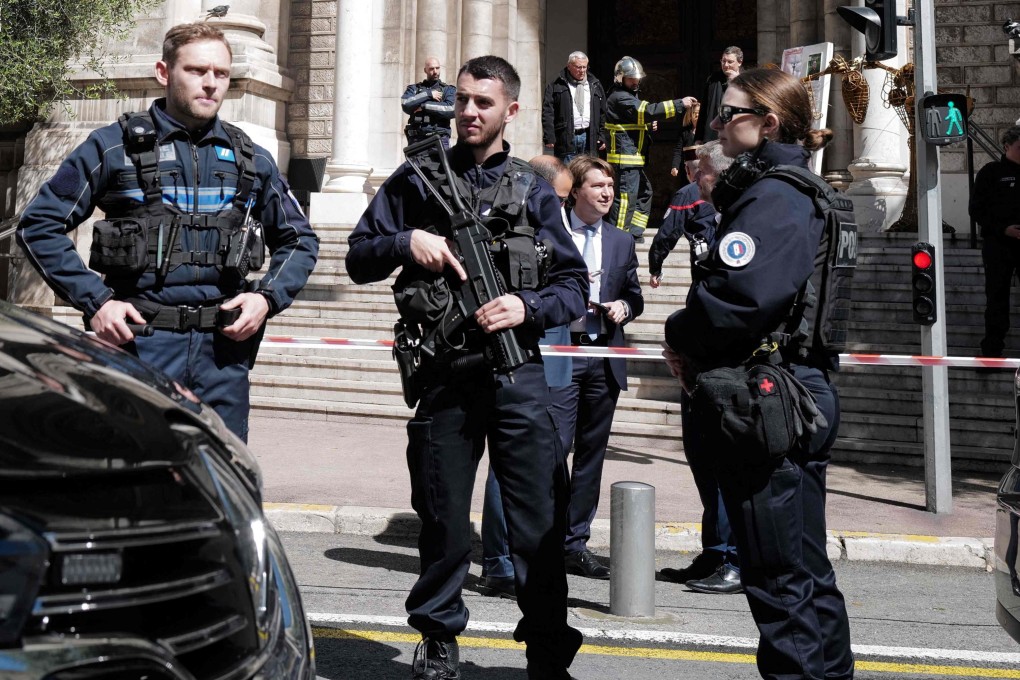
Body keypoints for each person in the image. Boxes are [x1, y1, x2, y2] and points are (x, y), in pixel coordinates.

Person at [346, 55, 587, 680]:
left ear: (511, 111)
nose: (469, 112)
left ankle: (545, 649)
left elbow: (573, 286)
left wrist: (526, 306)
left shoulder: (533, 188)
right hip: (446, 374)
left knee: (538, 523)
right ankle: (438, 638)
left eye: (483, 102)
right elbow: (358, 256)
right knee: (444, 517)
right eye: (461, 101)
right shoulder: (418, 179)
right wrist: (407, 243)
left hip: (516, 375)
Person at [16, 22, 319, 442]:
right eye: (196, 71)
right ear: (164, 72)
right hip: (138, 347)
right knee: (133, 486)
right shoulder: (112, 147)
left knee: (221, 485)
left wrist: (267, 298)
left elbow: (300, 239)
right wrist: (97, 302)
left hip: (223, 356)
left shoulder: (252, 158)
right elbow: (39, 226)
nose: (211, 84)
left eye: (221, 74)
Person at [663, 68, 854, 678]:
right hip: (796, 392)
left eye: (730, 114)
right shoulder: (794, 188)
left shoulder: (774, 195)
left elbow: (742, 297)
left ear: (768, 124)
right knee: (803, 570)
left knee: (778, 580)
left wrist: (679, 333)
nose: (717, 125)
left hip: (773, 397)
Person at [480, 154, 573, 601]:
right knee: (506, 474)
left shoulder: (556, 222)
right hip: (488, 363)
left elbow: (570, 285)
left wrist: (532, 304)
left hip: (539, 362)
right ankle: (496, 561)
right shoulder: (509, 207)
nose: (560, 209)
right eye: (558, 199)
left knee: (542, 475)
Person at [657, 140, 743, 594]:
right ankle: (714, 553)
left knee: (725, 465)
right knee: (702, 462)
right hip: (697, 364)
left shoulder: (743, 223)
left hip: (726, 366)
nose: (695, 178)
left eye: (703, 171)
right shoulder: (703, 217)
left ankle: (734, 558)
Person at [554, 155, 644, 579]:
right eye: (597, 185)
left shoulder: (622, 241)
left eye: (609, 185)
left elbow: (635, 294)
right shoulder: (552, 233)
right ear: (575, 192)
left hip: (604, 356)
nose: (607, 192)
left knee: (591, 455)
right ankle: (544, 538)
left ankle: (575, 543)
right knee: (554, 450)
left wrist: (625, 306)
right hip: (562, 353)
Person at [604, 56, 697, 241]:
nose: (636, 82)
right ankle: (619, 237)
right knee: (625, 201)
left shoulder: (628, 95)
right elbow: (646, 111)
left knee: (644, 193)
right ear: (619, 78)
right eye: (631, 79)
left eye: (637, 78)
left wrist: (646, 126)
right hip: (625, 160)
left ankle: (634, 232)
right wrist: (680, 104)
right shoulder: (619, 97)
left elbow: (635, 119)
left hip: (634, 158)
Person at [970, 125, 1020, 359]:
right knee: (997, 296)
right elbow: (976, 210)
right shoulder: (991, 172)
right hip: (998, 245)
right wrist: (1003, 230)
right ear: (1007, 146)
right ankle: (992, 347)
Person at [648, 145, 717, 289]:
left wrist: (655, 267)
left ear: (687, 169)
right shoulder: (731, 186)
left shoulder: (687, 194)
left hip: (704, 259)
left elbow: (668, 233)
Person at [542, 51, 607, 162]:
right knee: (568, 174)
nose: (582, 71)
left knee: (586, 174)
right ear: (569, 66)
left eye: (584, 67)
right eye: (578, 67)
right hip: (566, 138)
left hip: (589, 138)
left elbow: (603, 112)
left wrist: (603, 135)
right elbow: (548, 112)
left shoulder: (595, 85)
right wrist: (549, 136)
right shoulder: (556, 85)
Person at [401, 56, 456, 146]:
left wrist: (424, 106)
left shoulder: (448, 90)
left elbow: (451, 109)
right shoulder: (414, 89)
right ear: (425, 70)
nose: (435, 72)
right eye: (431, 69)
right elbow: (405, 104)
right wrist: (428, 94)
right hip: (416, 139)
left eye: (437, 68)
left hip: (439, 139)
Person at [693, 46, 744, 144]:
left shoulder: (747, 80)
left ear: (740, 62)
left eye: (730, 62)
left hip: (736, 135)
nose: (725, 65)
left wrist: (736, 81)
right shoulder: (713, 80)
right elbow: (704, 110)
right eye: (723, 61)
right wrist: (699, 137)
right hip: (712, 136)